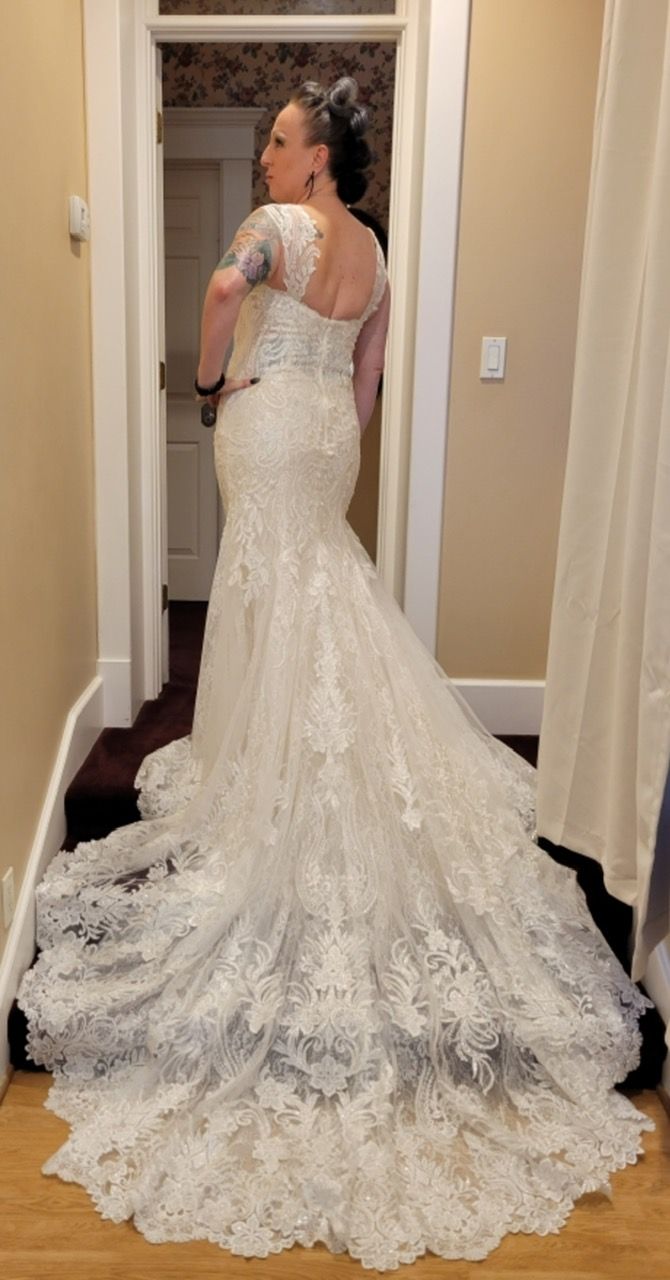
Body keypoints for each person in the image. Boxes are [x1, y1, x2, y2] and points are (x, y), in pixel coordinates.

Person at [17, 76, 655, 1272]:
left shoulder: (281, 234)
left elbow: (218, 292)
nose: (263, 156)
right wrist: (336, 439)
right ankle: (295, 752)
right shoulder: (376, 251)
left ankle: (264, 771)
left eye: (276, 141)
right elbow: (365, 378)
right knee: (318, 587)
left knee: (269, 598)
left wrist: (210, 385)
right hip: (328, 441)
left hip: (267, 427)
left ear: (316, 160)